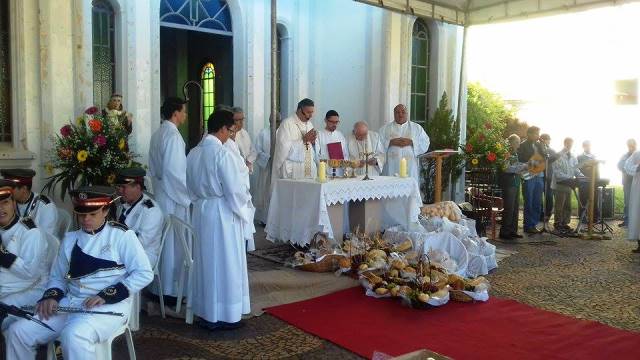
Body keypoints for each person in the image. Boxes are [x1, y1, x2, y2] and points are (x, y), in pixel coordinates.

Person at [4, 186, 153, 359]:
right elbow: (57, 277)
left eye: (92, 214)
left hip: (107, 307)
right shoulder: (70, 239)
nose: (85, 219)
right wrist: (51, 296)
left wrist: (108, 294)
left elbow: (144, 273)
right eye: (82, 214)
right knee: (18, 331)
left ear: (105, 210)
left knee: (73, 335)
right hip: (71, 303)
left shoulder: (122, 236)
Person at [186, 109, 251, 330]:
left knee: (206, 261)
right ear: (222, 128)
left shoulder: (194, 153)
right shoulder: (222, 154)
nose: (230, 136)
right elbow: (234, 191)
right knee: (227, 263)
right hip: (223, 213)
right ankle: (226, 314)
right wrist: (244, 211)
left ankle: (207, 312)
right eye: (230, 131)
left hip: (202, 211)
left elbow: (190, 188)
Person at [148, 96, 191, 301]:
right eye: (183, 111)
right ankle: (171, 289)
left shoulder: (158, 134)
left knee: (164, 240)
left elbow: (155, 168)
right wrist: (188, 195)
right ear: (175, 113)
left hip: (161, 194)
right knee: (173, 242)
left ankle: (159, 287)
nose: (185, 115)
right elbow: (175, 172)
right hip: (173, 197)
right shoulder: (173, 136)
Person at [0, 180, 51, 332]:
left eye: (5, 202)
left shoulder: (30, 232)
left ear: (14, 204)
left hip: (26, 291)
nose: (0, 208)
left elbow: (30, 272)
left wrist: (2, 254)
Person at [115, 167, 164, 266]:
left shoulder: (151, 210)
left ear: (137, 187)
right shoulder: (125, 203)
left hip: (142, 256)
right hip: (124, 251)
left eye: (124, 187)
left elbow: (141, 243)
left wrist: (113, 249)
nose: (120, 191)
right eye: (119, 187)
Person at [223, 118, 256, 252]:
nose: (239, 123)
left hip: (234, 190)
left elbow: (253, 151)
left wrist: (248, 162)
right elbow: (234, 171)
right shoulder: (225, 146)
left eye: (242, 119)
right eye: (237, 120)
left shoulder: (244, 135)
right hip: (231, 197)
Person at [379, 104, 430, 186]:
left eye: (403, 112)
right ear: (394, 114)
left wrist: (411, 142)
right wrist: (390, 142)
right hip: (391, 165)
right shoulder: (385, 129)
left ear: (407, 114)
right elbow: (378, 146)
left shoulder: (417, 128)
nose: (400, 114)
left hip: (410, 165)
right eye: (397, 112)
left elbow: (426, 143)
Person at [271, 98, 320, 184]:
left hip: (308, 168)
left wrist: (313, 143)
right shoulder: (287, 124)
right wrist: (303, 140)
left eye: (312, 113)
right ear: (300, 110)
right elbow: (283, 149)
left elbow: (312, 149)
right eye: (308, 112)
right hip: (294, 170)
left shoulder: (309, 124)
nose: (310, 116)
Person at [1, 169, 58, 238]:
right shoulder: (9, 202)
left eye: (11, 188)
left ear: (24, 189)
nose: (8, 191)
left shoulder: (46, 206)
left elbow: (46, 237)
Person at [252, 114, 280, 224]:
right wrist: (268, 158)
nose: (277, 123)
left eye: (279, 120)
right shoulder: (263, 133)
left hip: (278, 168)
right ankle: (264, 219)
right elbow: (257, 150)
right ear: (270, 121)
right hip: (267, 168)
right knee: (265, 191)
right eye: (275, 120)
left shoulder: (283, 133)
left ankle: (276, 220)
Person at [551, 138, 583, 232]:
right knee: (559, 205)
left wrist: (583, 177)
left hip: (569, 184)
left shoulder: (573, 156)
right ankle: (557, 223)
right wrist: (568, 177)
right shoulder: (558, 155)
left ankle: (565, 223)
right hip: (560, 183)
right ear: (564, 143)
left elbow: (576, 169)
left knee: (567, 205)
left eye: (571, 144)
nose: (569, 146)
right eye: (568, 144)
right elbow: (557, 171)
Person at [517, 126, 545, 234]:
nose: (538, 136)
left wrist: (542, 148)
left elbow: (545, 158)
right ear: (529, 134)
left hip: (539, 175)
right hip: (528, 176)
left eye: (538, 133)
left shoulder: (539, 145)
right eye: (535, 133)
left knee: (537, 202)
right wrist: (533, 159)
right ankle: (528, 225)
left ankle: (534, 224)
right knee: (529, 201)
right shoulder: (523, 145)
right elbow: (522, 159)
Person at [499, 135, 526, 240]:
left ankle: (512, 230)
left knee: (515, 208)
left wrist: (524, 165)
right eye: (517, 142)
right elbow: (506, 168)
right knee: (509, 208)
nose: (519, 145)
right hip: (509, 183)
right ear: (511, 143)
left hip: (515, 183)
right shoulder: (505, 153)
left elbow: (516, 165)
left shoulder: (515, 153)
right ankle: (504, 232)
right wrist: (522, 167)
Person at [317, 110, 349, 177]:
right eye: (332, 122)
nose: (334, 124)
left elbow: (345, 154)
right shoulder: (319, 135)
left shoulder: (340, 135)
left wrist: (345, 168)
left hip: (339, 172)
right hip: (325, 172)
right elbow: (316, 155)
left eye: (336, 122)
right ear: (325, 120)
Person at [577, 140, 599, 222]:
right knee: (583, 199)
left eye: (589, 145)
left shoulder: (594, 156)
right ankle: (583, 218)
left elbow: (597, 170)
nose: (588, 147)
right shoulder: (579, 157)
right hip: (584, 181)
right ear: (583, 146)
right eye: (586, 145)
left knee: (594, 199)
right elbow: (578, 167)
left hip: (594, 181)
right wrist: (586, 167)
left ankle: (594, 218)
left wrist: (598, 180)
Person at [539, 134, 558, 226]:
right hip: (539, 175)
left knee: (549, 196)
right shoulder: (538, 149)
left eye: (548, 140)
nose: (548, 141)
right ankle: (540, 214)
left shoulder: (552, 151)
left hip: (549, 176)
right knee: (539, 196)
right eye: (546, 139)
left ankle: (547, 214)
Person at [231, 107, 258, 173]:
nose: (241, 122)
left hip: (245, 169)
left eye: (242, 119)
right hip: (234, 169)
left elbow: (254, 150)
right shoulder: (228, 134)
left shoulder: (245, 133)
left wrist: (249, 161)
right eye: (238, 120)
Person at [617, 139, 636, 227]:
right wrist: (628, 168)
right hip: (627, 182)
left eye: (632, 145)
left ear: (635, 145)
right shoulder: (624, 156)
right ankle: (627, 221)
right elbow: (619, 165)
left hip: (637, 182)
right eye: (629, 145)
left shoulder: (638, 155)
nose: (631, 147)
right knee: (627, 202)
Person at [623, 151, 640, 253]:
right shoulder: (637, 153)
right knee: (637, 213)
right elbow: (627, 165)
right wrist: (637, 167)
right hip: (638, 187)